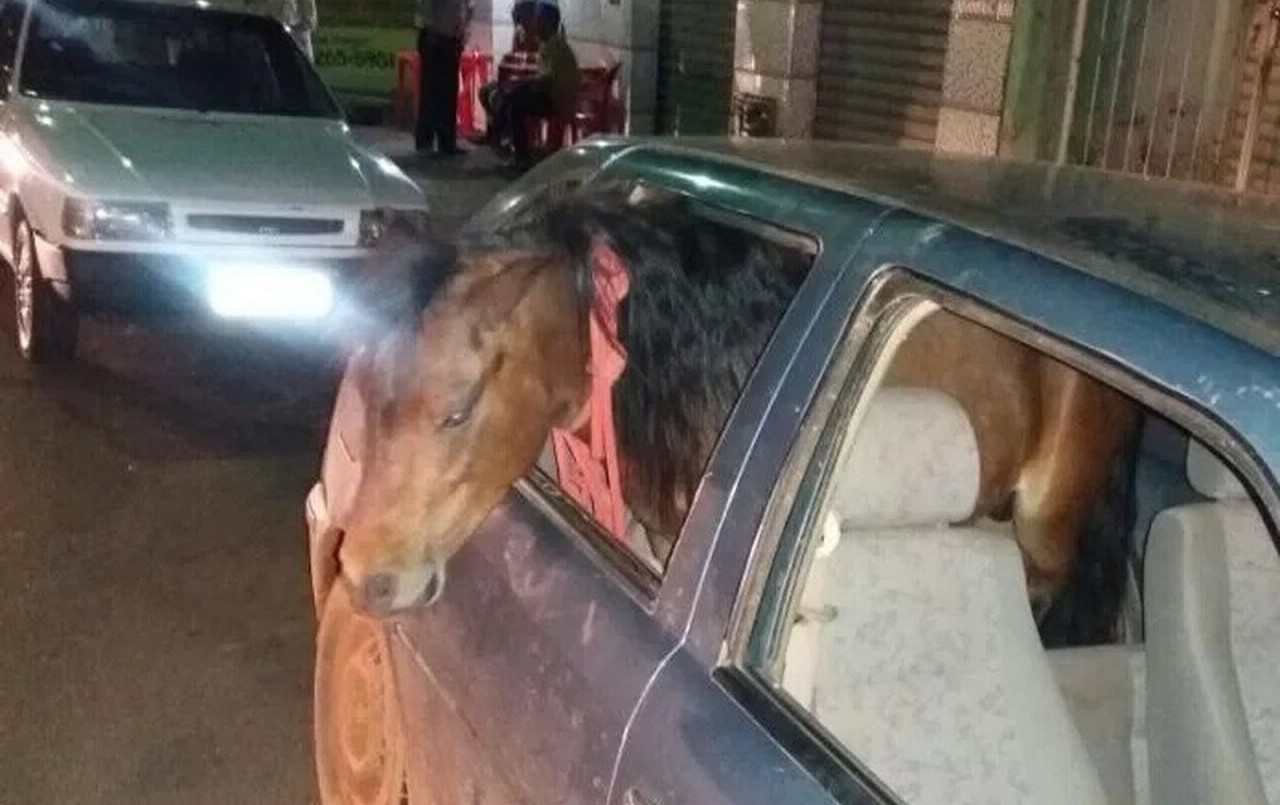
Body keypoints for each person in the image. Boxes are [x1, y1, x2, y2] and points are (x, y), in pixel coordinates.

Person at [479, 2, 577, 169]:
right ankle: (506, 141)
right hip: (554, 96)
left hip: (557, 100)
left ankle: (517, 152)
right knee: (511, 97)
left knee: (514, 102)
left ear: (547, 23)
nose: (535, 25)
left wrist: (526, 82)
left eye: (538, 21)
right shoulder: (552, 43)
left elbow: (547, 79)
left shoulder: (553, 46)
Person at [414, 0, 472, 156]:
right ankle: (425, 141)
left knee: (449, 93)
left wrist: (462, 34)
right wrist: (430, 31)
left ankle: (447, 142)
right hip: (435, 39)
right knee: (432, 92)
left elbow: (465, 9)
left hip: (451, 40)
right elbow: (426, 8)